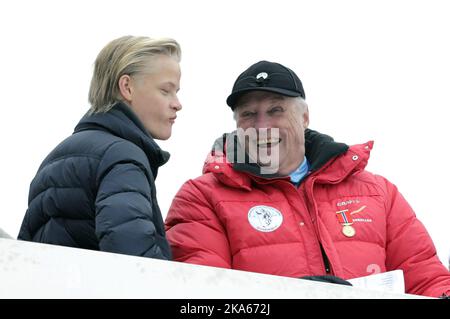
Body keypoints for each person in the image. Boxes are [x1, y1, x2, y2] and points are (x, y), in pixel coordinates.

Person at [165, 60, 450, 297]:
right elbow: (200, 297)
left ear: (304, 118)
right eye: (249, 114)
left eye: (276, 110)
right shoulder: (201, 198)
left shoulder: (378, 193)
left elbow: (427, 280)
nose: (262, 125)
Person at [18, 35, 182, 260]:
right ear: (127, 87)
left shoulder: (55, 158)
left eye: (177, 92)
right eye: (166, 90)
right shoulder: (123, 157)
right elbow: (136, 262)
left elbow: (24, 255)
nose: (177, 104)